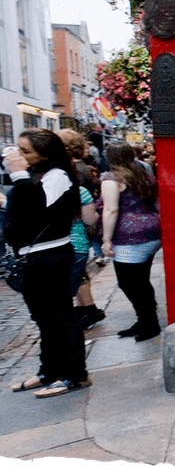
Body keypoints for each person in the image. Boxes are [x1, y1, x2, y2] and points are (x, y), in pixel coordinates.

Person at [4, 129, 91, 398]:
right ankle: (50, 370)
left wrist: (18, 176)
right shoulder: (34, 176)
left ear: (45, 153)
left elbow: (33, 210)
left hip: (51, 257)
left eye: (26, 151)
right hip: (32, 258)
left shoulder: (58, 177)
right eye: (18, 149)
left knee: (61, 316)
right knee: (43, 318)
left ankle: (75, 374)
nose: (19, 156)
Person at [100, 143, 163, 341]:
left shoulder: (111, 179)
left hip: (129, 238)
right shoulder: (143, 174)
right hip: (152, 233)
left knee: (128, 283)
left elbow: (111, 210)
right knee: (141, 281)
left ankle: (150, 323)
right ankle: (144, 321)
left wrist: (106, 240)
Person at [56, 129, 106, 329]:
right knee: (80, 273)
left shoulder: (73, 171)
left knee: (73, 278)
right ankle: (88, 308)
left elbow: (83, 202)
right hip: (80, 227)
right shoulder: (84, 167)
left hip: (76, 229)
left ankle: (86, 310)